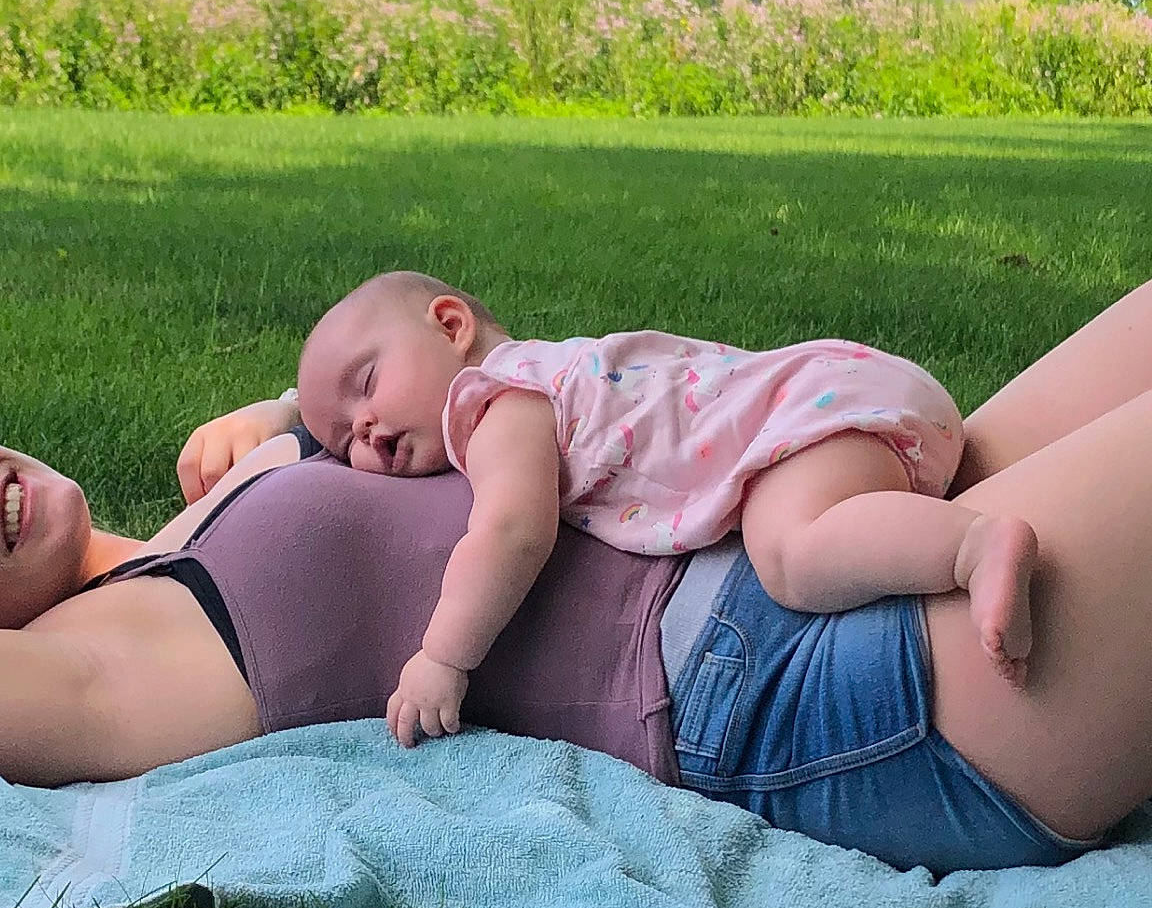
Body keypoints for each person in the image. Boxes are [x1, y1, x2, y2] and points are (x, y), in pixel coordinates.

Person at [10, 277, 1152, 875]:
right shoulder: (111, 653)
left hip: (805, 501)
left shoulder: (212, 498)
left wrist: (277, 419)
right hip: (806, 684)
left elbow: (407, 394)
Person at [292, 272, 1036, 749]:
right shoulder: (549, 370)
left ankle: (971, 549)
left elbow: (512, 531)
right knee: (801, 529)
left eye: (366, 383)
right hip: (848, 387)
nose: (359, 431)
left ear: (450, 326)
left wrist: (443, 657)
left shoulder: (498, 402)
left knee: (790, 551)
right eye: (336, 437)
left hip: (811, 417)